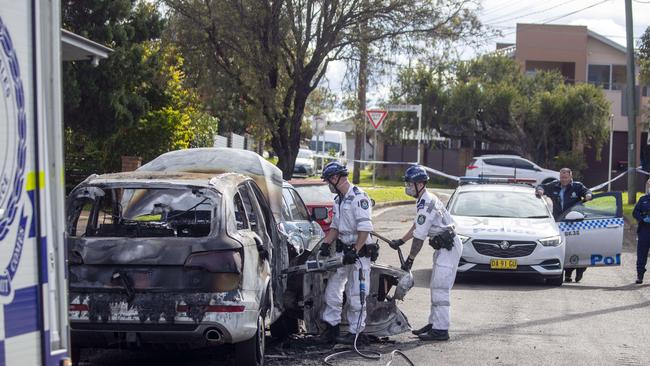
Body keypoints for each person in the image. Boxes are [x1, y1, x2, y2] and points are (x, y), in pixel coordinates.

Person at [389, 165, 463, 341]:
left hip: (448, 247)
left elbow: (420, 237)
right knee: (436, 286)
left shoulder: (426, 203)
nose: (407, 187)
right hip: (444, 247)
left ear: (420, 183)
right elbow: (417, 226)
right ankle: (433, 323)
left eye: (410, 183)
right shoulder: (423, 199)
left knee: (440, 289)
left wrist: (410, 260)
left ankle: (441, 329)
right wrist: (401, 240)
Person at [317, 162, 375, 344]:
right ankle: (331, 329)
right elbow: (335, 227)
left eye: (328, 181)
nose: (328, 185)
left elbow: (365, 229)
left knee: (356, 295)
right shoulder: (338, 201)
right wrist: (326, 244)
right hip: (343, 253)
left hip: (359, 254)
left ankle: (356, 333)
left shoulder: (359, 198)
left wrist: (355, 250)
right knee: (332, 291)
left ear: (335, 179)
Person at [535, 167, 592, 283]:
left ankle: (580, 269)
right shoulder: (554, 185)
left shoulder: (577, 186)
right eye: (561, 177)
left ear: (571, 177)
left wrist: (588, 196)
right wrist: (540, 190)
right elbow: (541, 187)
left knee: (578, 247)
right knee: (565, 248)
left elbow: (588, 192)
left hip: (575, 222)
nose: (563, 179)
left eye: (566, 177)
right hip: (560, 222)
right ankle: (567, 274)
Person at [632, 180, 650, 284]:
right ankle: (640, 276)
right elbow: (635, 212)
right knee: (641, 254)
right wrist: (642, 219)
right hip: (644, 229)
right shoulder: (643, 199)